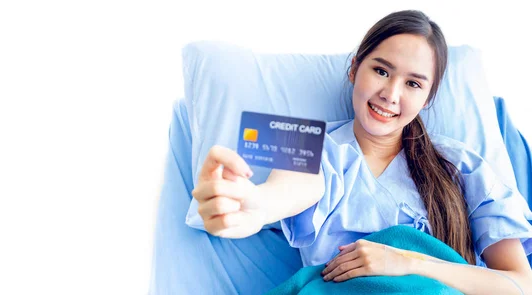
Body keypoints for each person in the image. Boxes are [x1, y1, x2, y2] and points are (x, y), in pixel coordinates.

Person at [188, 10, 532, 294]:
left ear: (427, 98)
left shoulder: (463, 167)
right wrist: (252, 206)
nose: (391, 94)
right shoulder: (313, 146)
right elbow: (288, 189)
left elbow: (518, 284)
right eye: (381, 71)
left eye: (413, 83)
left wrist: (409, 262)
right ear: (354, 69)